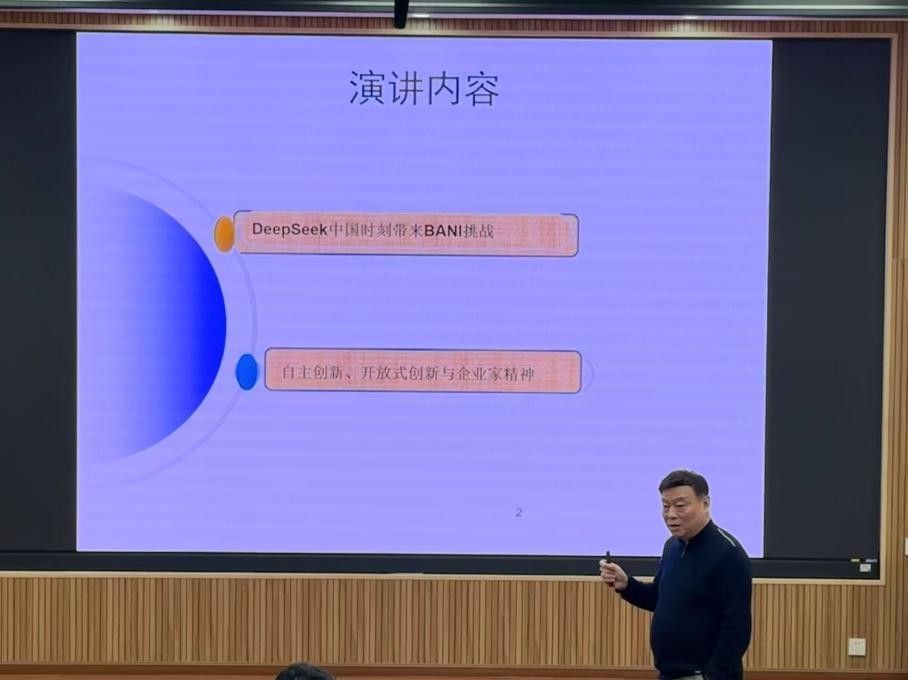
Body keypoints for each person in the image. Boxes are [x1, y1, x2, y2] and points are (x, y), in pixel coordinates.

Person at [600, 469, 752, 680]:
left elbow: (737, 627)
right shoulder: (671, 546)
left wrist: (712, 675)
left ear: (705, 503)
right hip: (668, 673)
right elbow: (659, 598)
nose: (671, 514)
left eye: (680, 506)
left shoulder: (728, 553)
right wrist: (626, 585)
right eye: (665, 506)